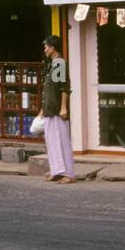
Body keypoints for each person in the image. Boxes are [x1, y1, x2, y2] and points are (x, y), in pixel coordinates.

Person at [41, 35, 75, 183]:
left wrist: (63, 108)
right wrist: (42, 110)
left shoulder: (59, 63)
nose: (45, 49)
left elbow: (63, 88)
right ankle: (56, 170)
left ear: (53, 48)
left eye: (46, 46)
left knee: (62, 141)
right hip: (50, 108)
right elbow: (51, 89)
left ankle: (69, 174)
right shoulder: (52, 64)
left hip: (56, 110)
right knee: (52, 141)